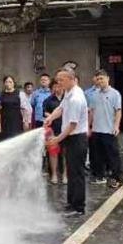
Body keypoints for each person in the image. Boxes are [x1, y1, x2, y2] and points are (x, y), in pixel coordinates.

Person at [45, 68, 89, 217]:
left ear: (71, 79)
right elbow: (61, 107)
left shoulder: (76, 97)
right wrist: (51, 117)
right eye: (57, 80)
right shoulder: (68, 93)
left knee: (77, 173)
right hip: (70, 138)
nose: (59, 83)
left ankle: (78, 207)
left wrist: (57, 139)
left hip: (76, 138)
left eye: (61, 80)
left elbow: (72, 125)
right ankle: (71, 203)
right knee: (71, 171)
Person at [88, 70, 123, 189]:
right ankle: (100, 176)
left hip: (109, 130)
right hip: (97, 130)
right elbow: (91, 112)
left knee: (113, 155)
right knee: (98, 156)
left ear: (108, 78)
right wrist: (89, 126)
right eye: (98, 79)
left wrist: (116, 126)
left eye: (102, 78)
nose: (100, 81)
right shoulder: (94, 94)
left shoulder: (115, 94)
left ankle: (116, 178)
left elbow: (118, 111)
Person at [43, 79, 65, 185]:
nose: (57, 89)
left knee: (66, 153)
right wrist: (51, 116)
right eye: (55, 87)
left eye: (59, 86)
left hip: (66, 128)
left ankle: (65, 175)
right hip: (53, 129)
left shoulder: (68, 98)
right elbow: (45, 113)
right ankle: (54, 174)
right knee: (53, 152)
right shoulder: (48, 100)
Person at [0, 76, 27, 141]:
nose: (8, 83)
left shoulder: (20, 94)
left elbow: (25, 109)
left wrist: (25, 121)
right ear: (4, 83)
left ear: (14, 83)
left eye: (10, 82)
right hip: (4, 122)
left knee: (17, 140)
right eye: (6, 82)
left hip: (16, 122)